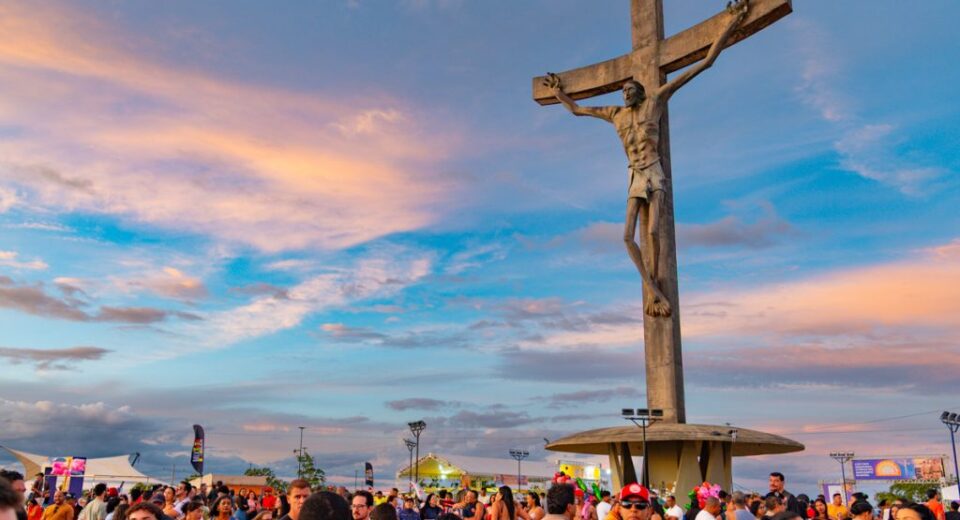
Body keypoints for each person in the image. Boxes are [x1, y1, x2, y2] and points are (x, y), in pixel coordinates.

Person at [542, 0, 750, 317]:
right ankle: (653, 291)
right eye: (623, 91)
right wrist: (559, 93)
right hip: (635, 174)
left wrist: (730, 24)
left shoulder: (655, 101)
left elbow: (704, 63)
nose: (625, 93)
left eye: (630, 89)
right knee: (627, 237)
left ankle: (658, 291)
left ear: (640, 91)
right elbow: (578, 109)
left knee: (653, 233)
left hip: (653, 170)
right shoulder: (615, 115)